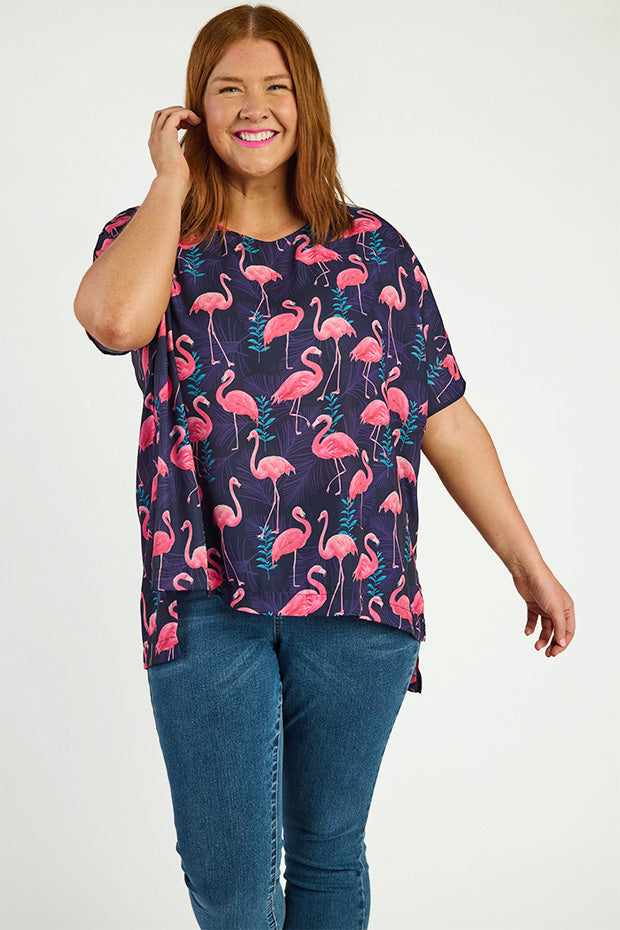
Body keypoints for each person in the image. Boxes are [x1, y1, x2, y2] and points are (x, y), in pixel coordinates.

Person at [73, 5, 576, 929]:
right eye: (228, 88)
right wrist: (169, 181)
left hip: (358, 593)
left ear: (306, 103)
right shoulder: (152, 237)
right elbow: (114, 322)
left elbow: (444, 416)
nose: (252, 107)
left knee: (328, 854)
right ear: (194, 108)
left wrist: (527, 562)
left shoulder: (375, 250)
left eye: (276, 86)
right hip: (205, 593)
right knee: (230, 882)